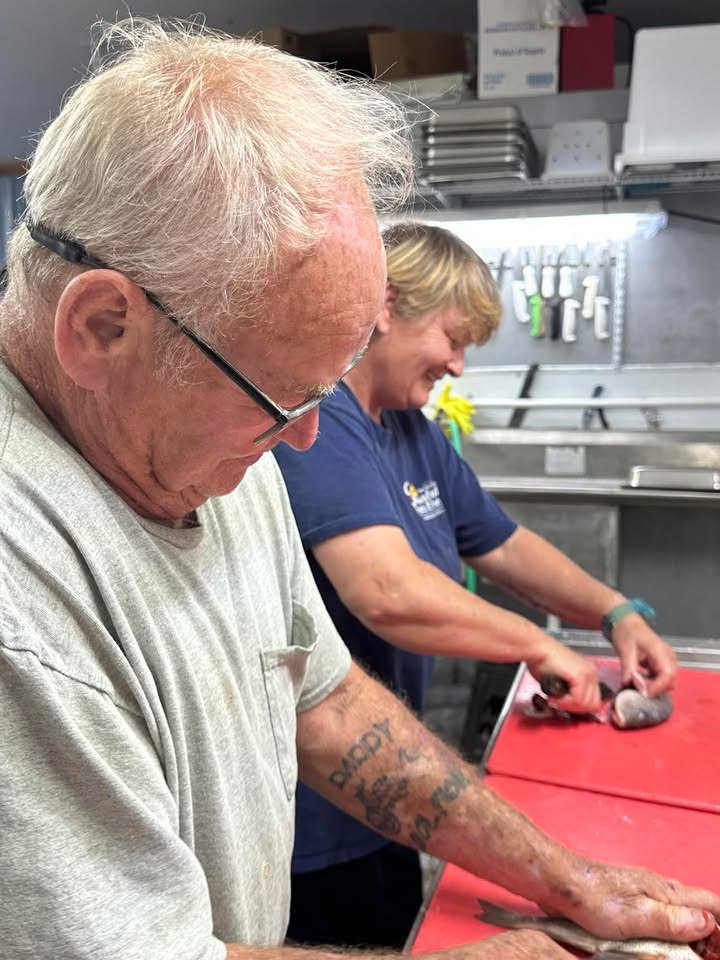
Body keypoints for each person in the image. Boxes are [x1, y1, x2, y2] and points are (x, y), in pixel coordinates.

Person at [0, 19, 713, 960]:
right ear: (101, 329)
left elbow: (326, 703)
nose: (305, 437)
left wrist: (565, 877)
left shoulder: (215, 454)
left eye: (321, 392)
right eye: (280, 398)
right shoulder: (23, 590)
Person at [274, 221, 679, 948]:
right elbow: (386, 591)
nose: (458, 366)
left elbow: (501, 542)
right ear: (386, 305)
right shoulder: (319, 422)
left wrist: (614, 611)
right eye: (453, 339)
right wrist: (536, 645)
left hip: (394, 786)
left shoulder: (410, 428)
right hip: (316, 809)